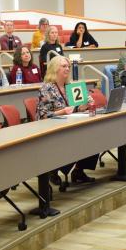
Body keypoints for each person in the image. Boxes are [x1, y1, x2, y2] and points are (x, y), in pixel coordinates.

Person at [37, 55, 97, 187]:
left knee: (94, 135)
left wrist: (85, 105)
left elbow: (76, 109)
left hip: (70, 124)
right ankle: (53, 170)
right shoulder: (47, 88)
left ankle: (78, 171)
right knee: (77, 139)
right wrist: (62, 111)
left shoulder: (70, 86)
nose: (67, 69)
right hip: (53, 128)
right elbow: (43, 116)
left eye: (68, 66)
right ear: (54, 69)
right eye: (64, 66)